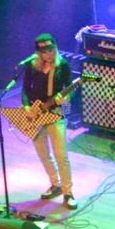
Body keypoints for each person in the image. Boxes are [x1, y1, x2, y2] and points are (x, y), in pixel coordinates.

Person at [23, 32, 78, 209]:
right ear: (38, 53)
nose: (48, 54)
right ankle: (55, 185)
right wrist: (27, 107)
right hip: (36, 114)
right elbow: (25, 89)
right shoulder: (32, 66)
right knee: (43, 154)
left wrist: (66, 100)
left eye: (50, 50)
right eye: (44, 52)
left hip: (56, 113)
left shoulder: (63, 65)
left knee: (61, 155)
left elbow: (70, 89)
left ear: (55, 48)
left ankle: (68, 192)